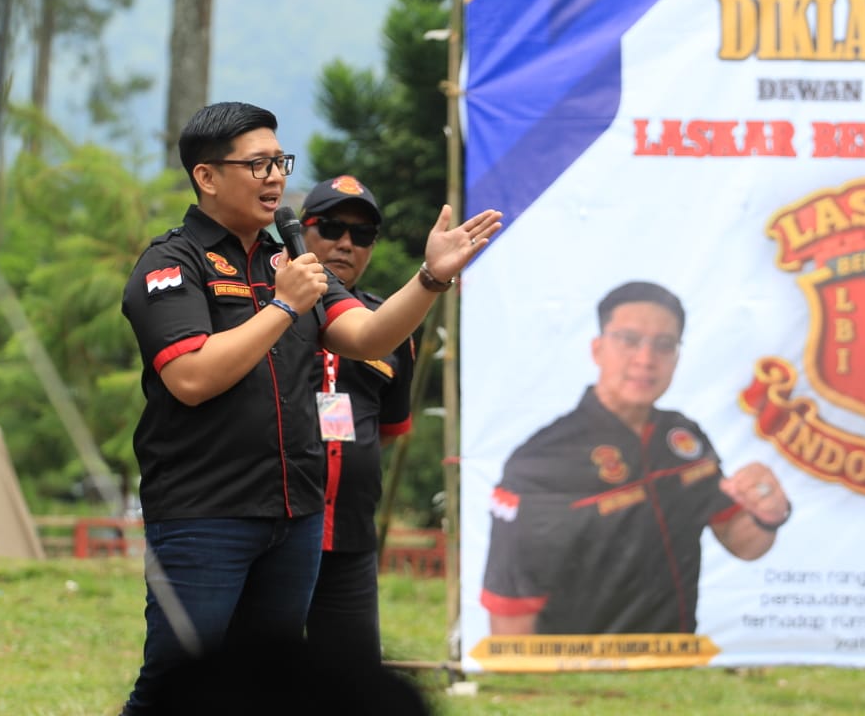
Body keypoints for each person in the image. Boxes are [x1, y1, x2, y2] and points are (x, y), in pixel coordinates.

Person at [119, 101, 500, 714]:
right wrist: (283, 307)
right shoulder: (172, 264)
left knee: (266, 684)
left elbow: (368, 337)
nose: (274, 176)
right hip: (205, 513)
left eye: (280, 162)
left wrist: (430, 277)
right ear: (207, 177)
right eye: (257, 164)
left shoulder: (290, 262)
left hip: (294, 515)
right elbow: (190, 377)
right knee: (177, 682)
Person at [480, 280, 792, 635]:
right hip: (577, 664)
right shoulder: (540, 462)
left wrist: (768, 513)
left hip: (673, 660)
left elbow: (740, 540)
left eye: (664, 345)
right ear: (597, 349)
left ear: (677, 357)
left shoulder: (683, 437)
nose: (646, 359)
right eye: (629, 340)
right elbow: (509, 607)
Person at [298, 175, 415, 667]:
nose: (346, 243)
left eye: (362, 234)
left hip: (350, 538)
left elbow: (387, 430)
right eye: (331, 228)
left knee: (352, 680)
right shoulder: (266, 312)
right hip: (277, 531)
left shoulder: (390, 326)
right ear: (301, 230)